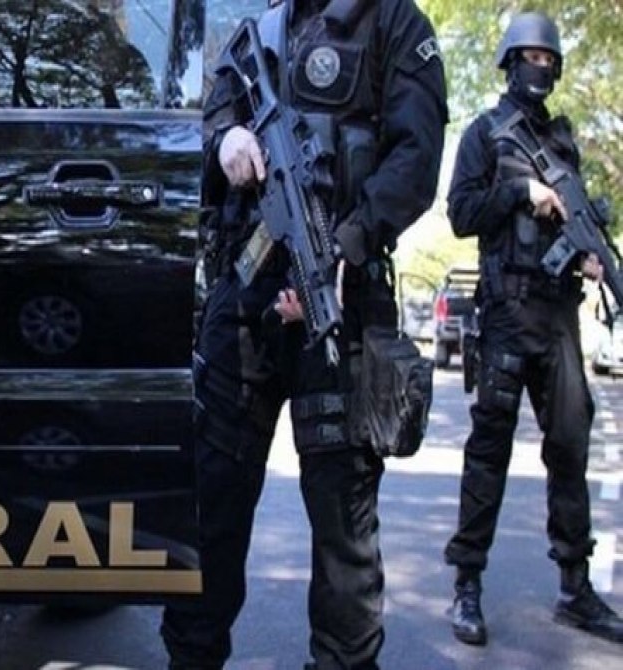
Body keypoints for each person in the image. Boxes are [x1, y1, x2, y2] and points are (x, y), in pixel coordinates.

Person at [160, 0, 447, 668]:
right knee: (210, 508)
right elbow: (205, 127)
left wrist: (347, 243)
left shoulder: (396, 23)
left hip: (340, 301)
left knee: (345, 530)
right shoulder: (255, 32)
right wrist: (227, 142)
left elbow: (417, 158)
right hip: (243, 304)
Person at [444, 11, 623, 647]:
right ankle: (467, 585)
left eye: (548, 60)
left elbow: (571, 229)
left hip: (559, 318)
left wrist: (590, 259)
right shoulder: (485, 134)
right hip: (506, 314)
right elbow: (461, 213)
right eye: (530, 59)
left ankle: (575, 588)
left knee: (570, 447)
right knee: (488, 451)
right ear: (510, 64)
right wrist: (522, 193)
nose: (539, 68)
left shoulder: (565, 143)